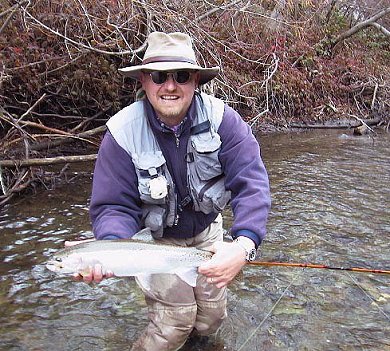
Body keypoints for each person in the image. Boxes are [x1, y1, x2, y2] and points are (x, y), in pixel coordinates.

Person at [75, 31, 271, 350]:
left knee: (211, 318)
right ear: (143, 81)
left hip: (208, 232)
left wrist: (243, 245)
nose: (169, 86)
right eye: (158, 76)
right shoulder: (121, 135)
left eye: (181, 76)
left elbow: (252, 183)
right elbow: (113, 207)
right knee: (176, 320)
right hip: (152, 241)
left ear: (195, 80)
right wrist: (110, 249)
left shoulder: (225, 122)